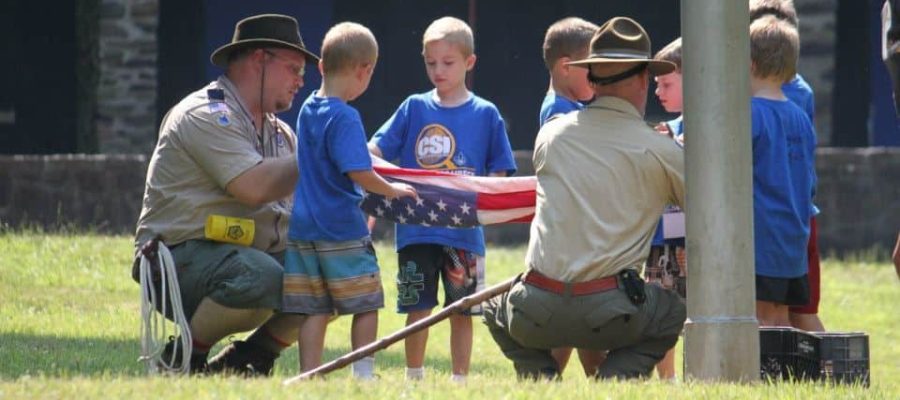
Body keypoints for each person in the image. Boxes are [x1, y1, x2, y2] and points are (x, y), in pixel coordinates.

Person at [482, 16, 686, 380]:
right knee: (671, 312)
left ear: (590, 79)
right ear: (643, 79)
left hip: (536, 309)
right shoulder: (660, 151)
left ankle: (540, 377)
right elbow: (704, 211)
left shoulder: (551, 136)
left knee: (493, 307)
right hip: (612, 314)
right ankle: (615, 380)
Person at [133, 14, 319, 375]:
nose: (301, 81)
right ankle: (184, 358)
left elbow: (297, 213)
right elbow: (253, 187)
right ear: (260, 59)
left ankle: (249, 360)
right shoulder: (205, 113)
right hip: (175, 260)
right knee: (262, 276)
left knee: (333, 270)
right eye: (294, 68)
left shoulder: (281, 134)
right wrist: (319, 154)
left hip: (244, 256)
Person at [368, 16, 517, 382]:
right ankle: (413, 377)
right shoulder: (413, 107)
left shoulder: (486, 113)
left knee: (463, 310)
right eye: (430, 62)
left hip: (464, 235)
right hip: (415, 232)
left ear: (470, 62)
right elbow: (374, 149)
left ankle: (460, 380)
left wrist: (482, 196)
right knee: (416, 308)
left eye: (448, 63)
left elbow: (500, 173)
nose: (438, 70)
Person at [283, 22, 416, 380]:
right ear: (364, 70)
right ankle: (363, 373)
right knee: (367, 301)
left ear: (322, 66)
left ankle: (309, 374)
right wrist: (392, 189)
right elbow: (358, 171)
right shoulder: (345, 116)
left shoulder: (308, 108)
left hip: (303, 228)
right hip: (340, 227)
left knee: (315, 307)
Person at [537, 16, 607, 377]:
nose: (597, 77)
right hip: (572, 236)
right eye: (591, 68)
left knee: (582, 324)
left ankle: (555, 382)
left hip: (578, 236)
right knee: (581, 321)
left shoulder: (572, 108)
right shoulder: (560, 113)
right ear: (566, 67)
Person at [749, 0, 825, 332]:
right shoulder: (799, 115)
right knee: (781, 318)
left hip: (760, 236)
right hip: (794, 234)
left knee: (759, 318)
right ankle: (784, 377)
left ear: (749, 64)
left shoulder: (750, 114)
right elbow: (807, 177)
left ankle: (762, 381)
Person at [645, 37, 687, 381]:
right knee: (661, 310)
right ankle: (668, 381)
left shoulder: (716, 130)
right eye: (656, 84)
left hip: (699, 239)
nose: (658, 91)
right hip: (663, 240)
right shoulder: (664, 130)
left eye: (666, 83)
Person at [539, 17, 599, 126]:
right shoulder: (557, 109)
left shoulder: (571, 107)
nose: (598, 75)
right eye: (592, 66)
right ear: (566, 67)